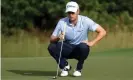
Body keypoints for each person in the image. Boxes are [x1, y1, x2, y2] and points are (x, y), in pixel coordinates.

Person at [48, 1, 106, 77]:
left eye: (73, 12)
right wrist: (58, 37)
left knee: (83, 46)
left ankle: (79, 69)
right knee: (52, 47)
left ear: (78, 11)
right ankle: (65, 66)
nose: (71, 15)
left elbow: (103, 31)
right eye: (69, 13)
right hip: (67, 48)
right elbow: (52, 39)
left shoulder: (85, 20)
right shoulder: (62, 22)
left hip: (80, 49)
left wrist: (92, 42)